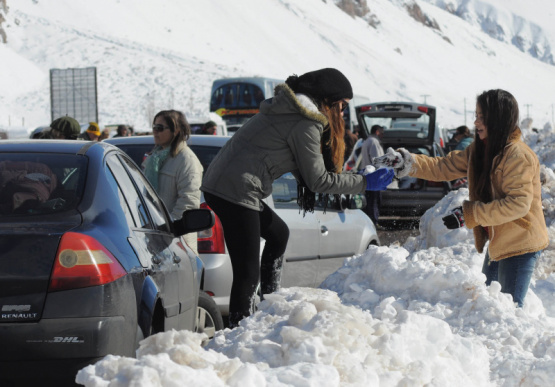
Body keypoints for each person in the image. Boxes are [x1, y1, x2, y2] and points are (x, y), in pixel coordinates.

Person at [200, 68, 394, 327]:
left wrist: (355, 177)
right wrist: (364, 182)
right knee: (247, 272)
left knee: (278, 233)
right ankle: (239, 328)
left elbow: (308, 169)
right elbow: (318, 181)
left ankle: (270, 301)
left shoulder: (289, 112)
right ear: (330, 102)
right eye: (342, 107)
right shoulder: (305, 122)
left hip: (228, 184)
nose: (343, 114)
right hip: (236, 190)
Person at [383, 89, 548, 307]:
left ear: (497, 118)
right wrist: (407, 162)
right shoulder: (479, 150)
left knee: (508, 311)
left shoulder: (518, 156)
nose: (476, 121)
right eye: (476, 115)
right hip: (499, 242)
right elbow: (443, 167)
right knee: (488, 307)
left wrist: (470, 214)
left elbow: (517, 204)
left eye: (482, 116)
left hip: (520, 244)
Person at [143, 110, 204, 254]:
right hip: (153, 238)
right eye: (154, 127)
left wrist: (168, 230)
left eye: (160, 128)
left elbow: (188, 203)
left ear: (176, 131)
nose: (155, 132)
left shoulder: (187, 160)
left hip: (177, 243)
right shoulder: (154, 159)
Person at [360, 124, 385, 225]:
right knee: (374, 201)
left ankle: (370, 222)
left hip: (367, 175)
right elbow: (377, 160)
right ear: (377, 132)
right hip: (374, 176)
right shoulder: (374, 142)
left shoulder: (367, 141)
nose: (382, 135)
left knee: (370, 201)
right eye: (381, 132)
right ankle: (373, 222)